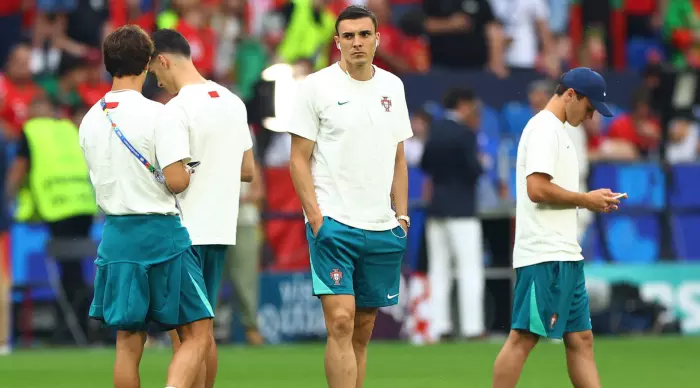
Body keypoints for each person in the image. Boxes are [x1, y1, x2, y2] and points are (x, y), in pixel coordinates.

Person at [79, 25, 213, 388]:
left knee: (127, 342)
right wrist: (188, 170)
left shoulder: (90, 119)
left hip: (117, 237)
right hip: (160, 235)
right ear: (147, 64)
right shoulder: (160, 114)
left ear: (109, 63)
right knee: (197, 331)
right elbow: (176, 181)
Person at [288, 5, 412, 388]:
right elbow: (297, 159)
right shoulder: (315, 86)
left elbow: (399, 157)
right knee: (340, 321)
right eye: (349, 36)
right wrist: (316, 218)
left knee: (364, 326)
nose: (357, 42)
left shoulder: (393, 86)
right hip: (333, 222)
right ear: (337, 41)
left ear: (377, 39)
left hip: (380, 224)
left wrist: (402, 218)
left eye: (364, 35)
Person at [492, 67, 624, 388]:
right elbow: (536, 189)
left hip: (564, 252)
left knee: (581, 338)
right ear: (570, 95)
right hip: (544, 253)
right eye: (590, 107)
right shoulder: (543, 129)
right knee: (523, 337)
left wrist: (588, 200)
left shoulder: (558, 131)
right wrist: (586, 200)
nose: (592, 116)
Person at [148, 28, 255, 388]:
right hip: (221, 229)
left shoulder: (174, 110)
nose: (158, 82)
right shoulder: (233, 101)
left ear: (163, 60)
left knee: (187, 336)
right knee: (202, 330)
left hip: (183, 233)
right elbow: (248, 170)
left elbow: (175, 177)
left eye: (154, 72)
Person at [7, 94, 97, 345]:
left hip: (57, 208)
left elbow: (20, 168)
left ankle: (73, 328)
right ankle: (83, 325)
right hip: (84, 205)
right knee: (76, 269)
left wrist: (8, 197)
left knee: (67, 271)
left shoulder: (32, 131)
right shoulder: (69, 128)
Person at [420, 87, 485, 342]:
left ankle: (440, 327)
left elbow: (425, 165)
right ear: (463, 104)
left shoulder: (435, 130)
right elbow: (474, 170)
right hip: (463, 210)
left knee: (439, 270)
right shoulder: (465, 133)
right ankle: (472, 327)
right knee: (469, 269)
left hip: (437, 207)